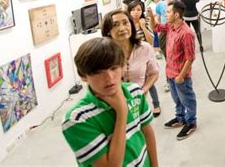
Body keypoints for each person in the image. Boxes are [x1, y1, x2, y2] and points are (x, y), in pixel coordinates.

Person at [62, 37, 158, 167]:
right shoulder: (77, 119)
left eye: (113, 68)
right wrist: (122, 111)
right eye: (98, 72)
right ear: (83, 76)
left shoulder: (135, 92)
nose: (109, 78)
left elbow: (147, 133)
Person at [150, 1, 198, 140]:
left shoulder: (187, 33)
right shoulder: (170, 26)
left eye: (168, 12)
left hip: (180, 76)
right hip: (170, 72)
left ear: (176, 14)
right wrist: (151, 16)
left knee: (187, 100)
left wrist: (181, 76)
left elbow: (190, 58)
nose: (166, 14)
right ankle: (180, 118)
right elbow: (156, 27)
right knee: (177, 99)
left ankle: (191, 122)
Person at [102, 9, 161, 118]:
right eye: (115, 25)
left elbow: (154, 73)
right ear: (108, 31)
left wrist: (144, 89)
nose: (122, 28)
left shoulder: (144, 48)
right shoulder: (103, 53)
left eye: (125, 23)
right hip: (111, 107)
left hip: (138, 104)